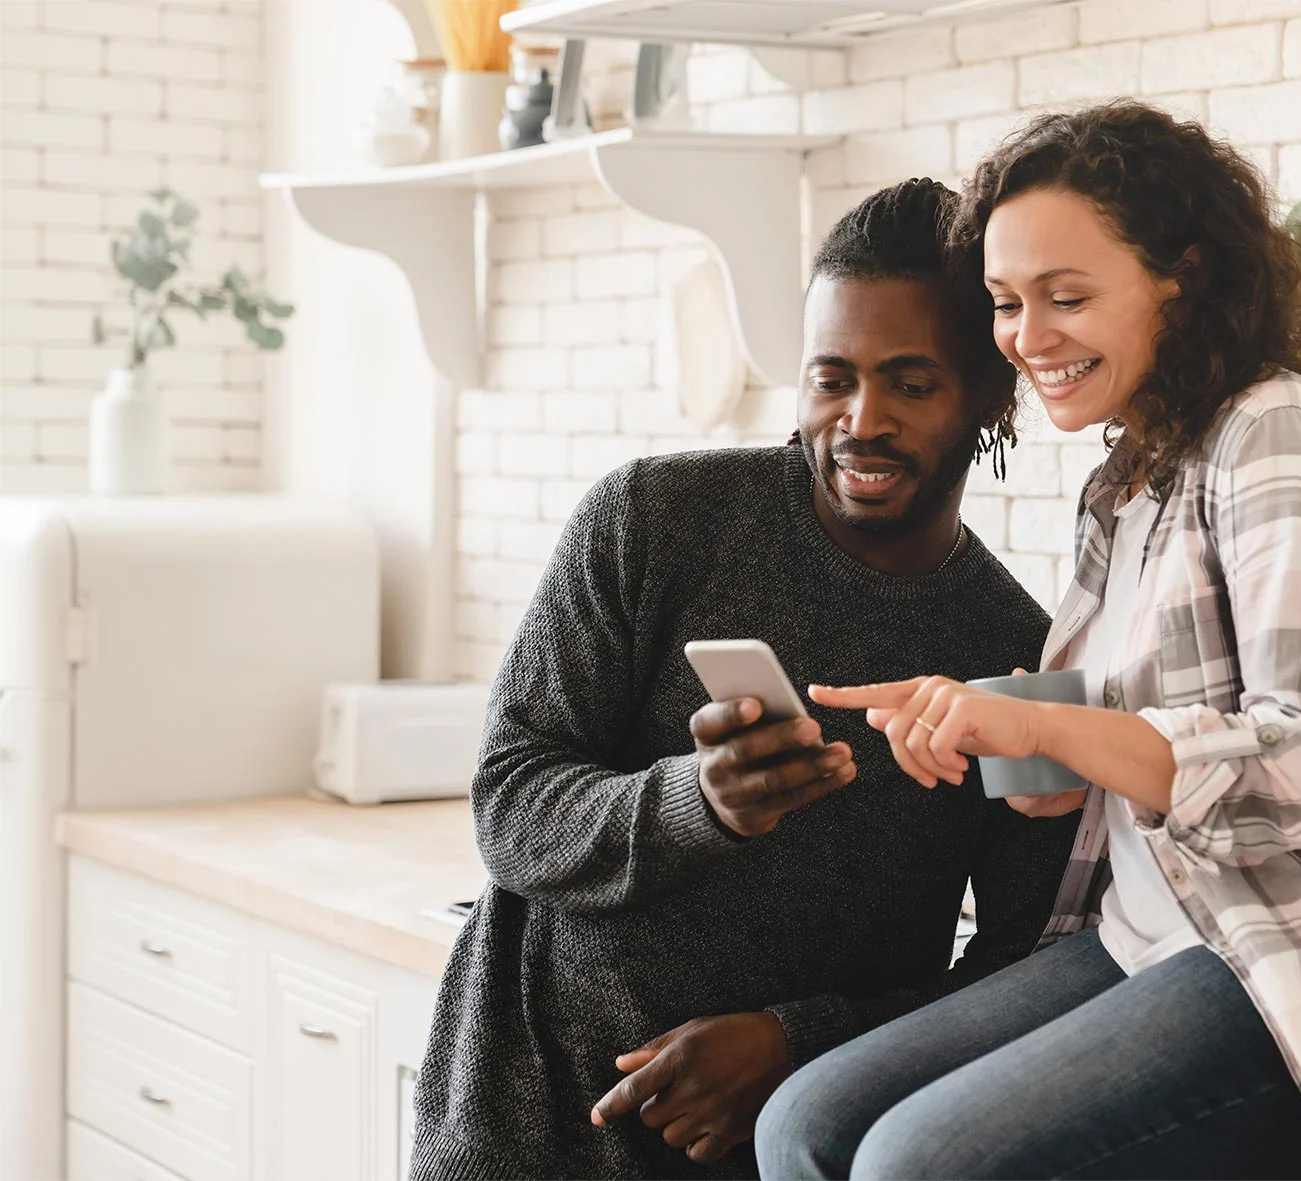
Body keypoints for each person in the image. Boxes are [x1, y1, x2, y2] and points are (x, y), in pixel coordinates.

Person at [759, 102, 1301, 1181]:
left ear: (1182, 275)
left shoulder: (1282, 433)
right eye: (1004, 303)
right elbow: (1089, 763)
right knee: (800, 1123)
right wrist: (990, 730)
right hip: (1157, 937)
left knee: (912, 1163)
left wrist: (1042, 721)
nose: (1028, 337)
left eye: (1066, 296)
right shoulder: (1126, 484)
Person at [409, 179, 1079, 1180]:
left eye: (912, 381)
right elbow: (508, 802)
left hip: (765, 1154)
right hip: (522, 1126)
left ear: (990, 392)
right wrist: (696, 800)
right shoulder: (653, 520)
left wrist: (794, 1043)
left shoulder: (1015, 655)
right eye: (831, 377)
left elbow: (1025, 966)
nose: (862, 420)